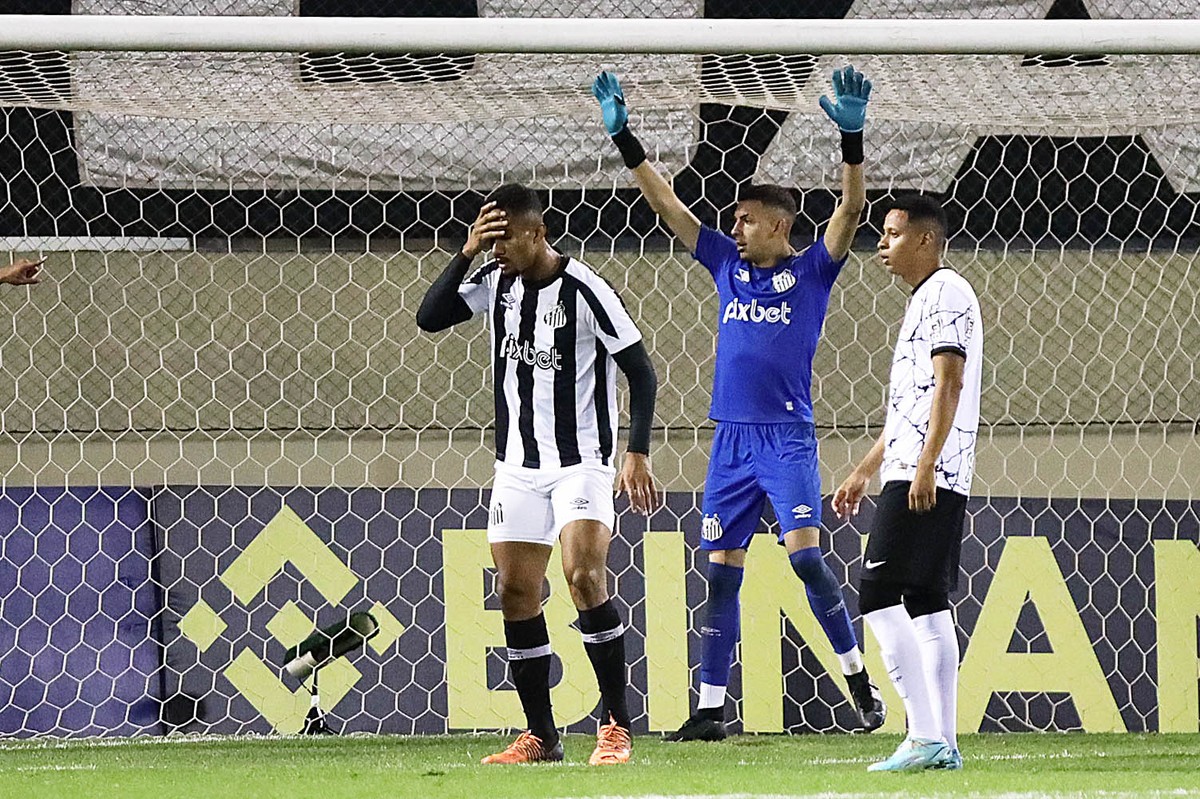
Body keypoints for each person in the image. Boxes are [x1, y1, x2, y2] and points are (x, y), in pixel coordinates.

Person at [592, 67, 885, 740]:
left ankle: (860, 686)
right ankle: (711, 709)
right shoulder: (725, 263)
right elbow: (670, 208)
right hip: (730, 442)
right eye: (733, 220)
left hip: (785, 440)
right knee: (720, 577)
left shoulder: (812, 267)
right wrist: (626, 138)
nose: (735, 226)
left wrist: (852, 138)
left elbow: (851, 213)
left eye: (746, 219)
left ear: (779, 223)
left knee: (807, 557)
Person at [416, 183, 661, 765]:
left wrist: (637, 453)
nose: (498, 251)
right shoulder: (496, 283)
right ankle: (541, 737)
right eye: (490, 240)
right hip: (517, 468)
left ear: (537, 233)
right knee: (515, 592)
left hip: (582, 463)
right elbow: (430, 318)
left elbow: (642, 373)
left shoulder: (587, 290)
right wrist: (467, 251)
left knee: (583, 577)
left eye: (505, 240)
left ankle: (615, 727)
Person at [832, 194, 982, 772]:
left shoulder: (945, 292)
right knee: (924, 600)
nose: (881, 248)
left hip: (930, 470)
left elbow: (949, 384)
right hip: (922, 465)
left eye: (892, 235)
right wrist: (867, 468)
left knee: (876, 596)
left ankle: (923, 735)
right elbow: (913, 404)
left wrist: (922, 467)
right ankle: (942, 740)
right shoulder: (928, 298)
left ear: (925, 239)